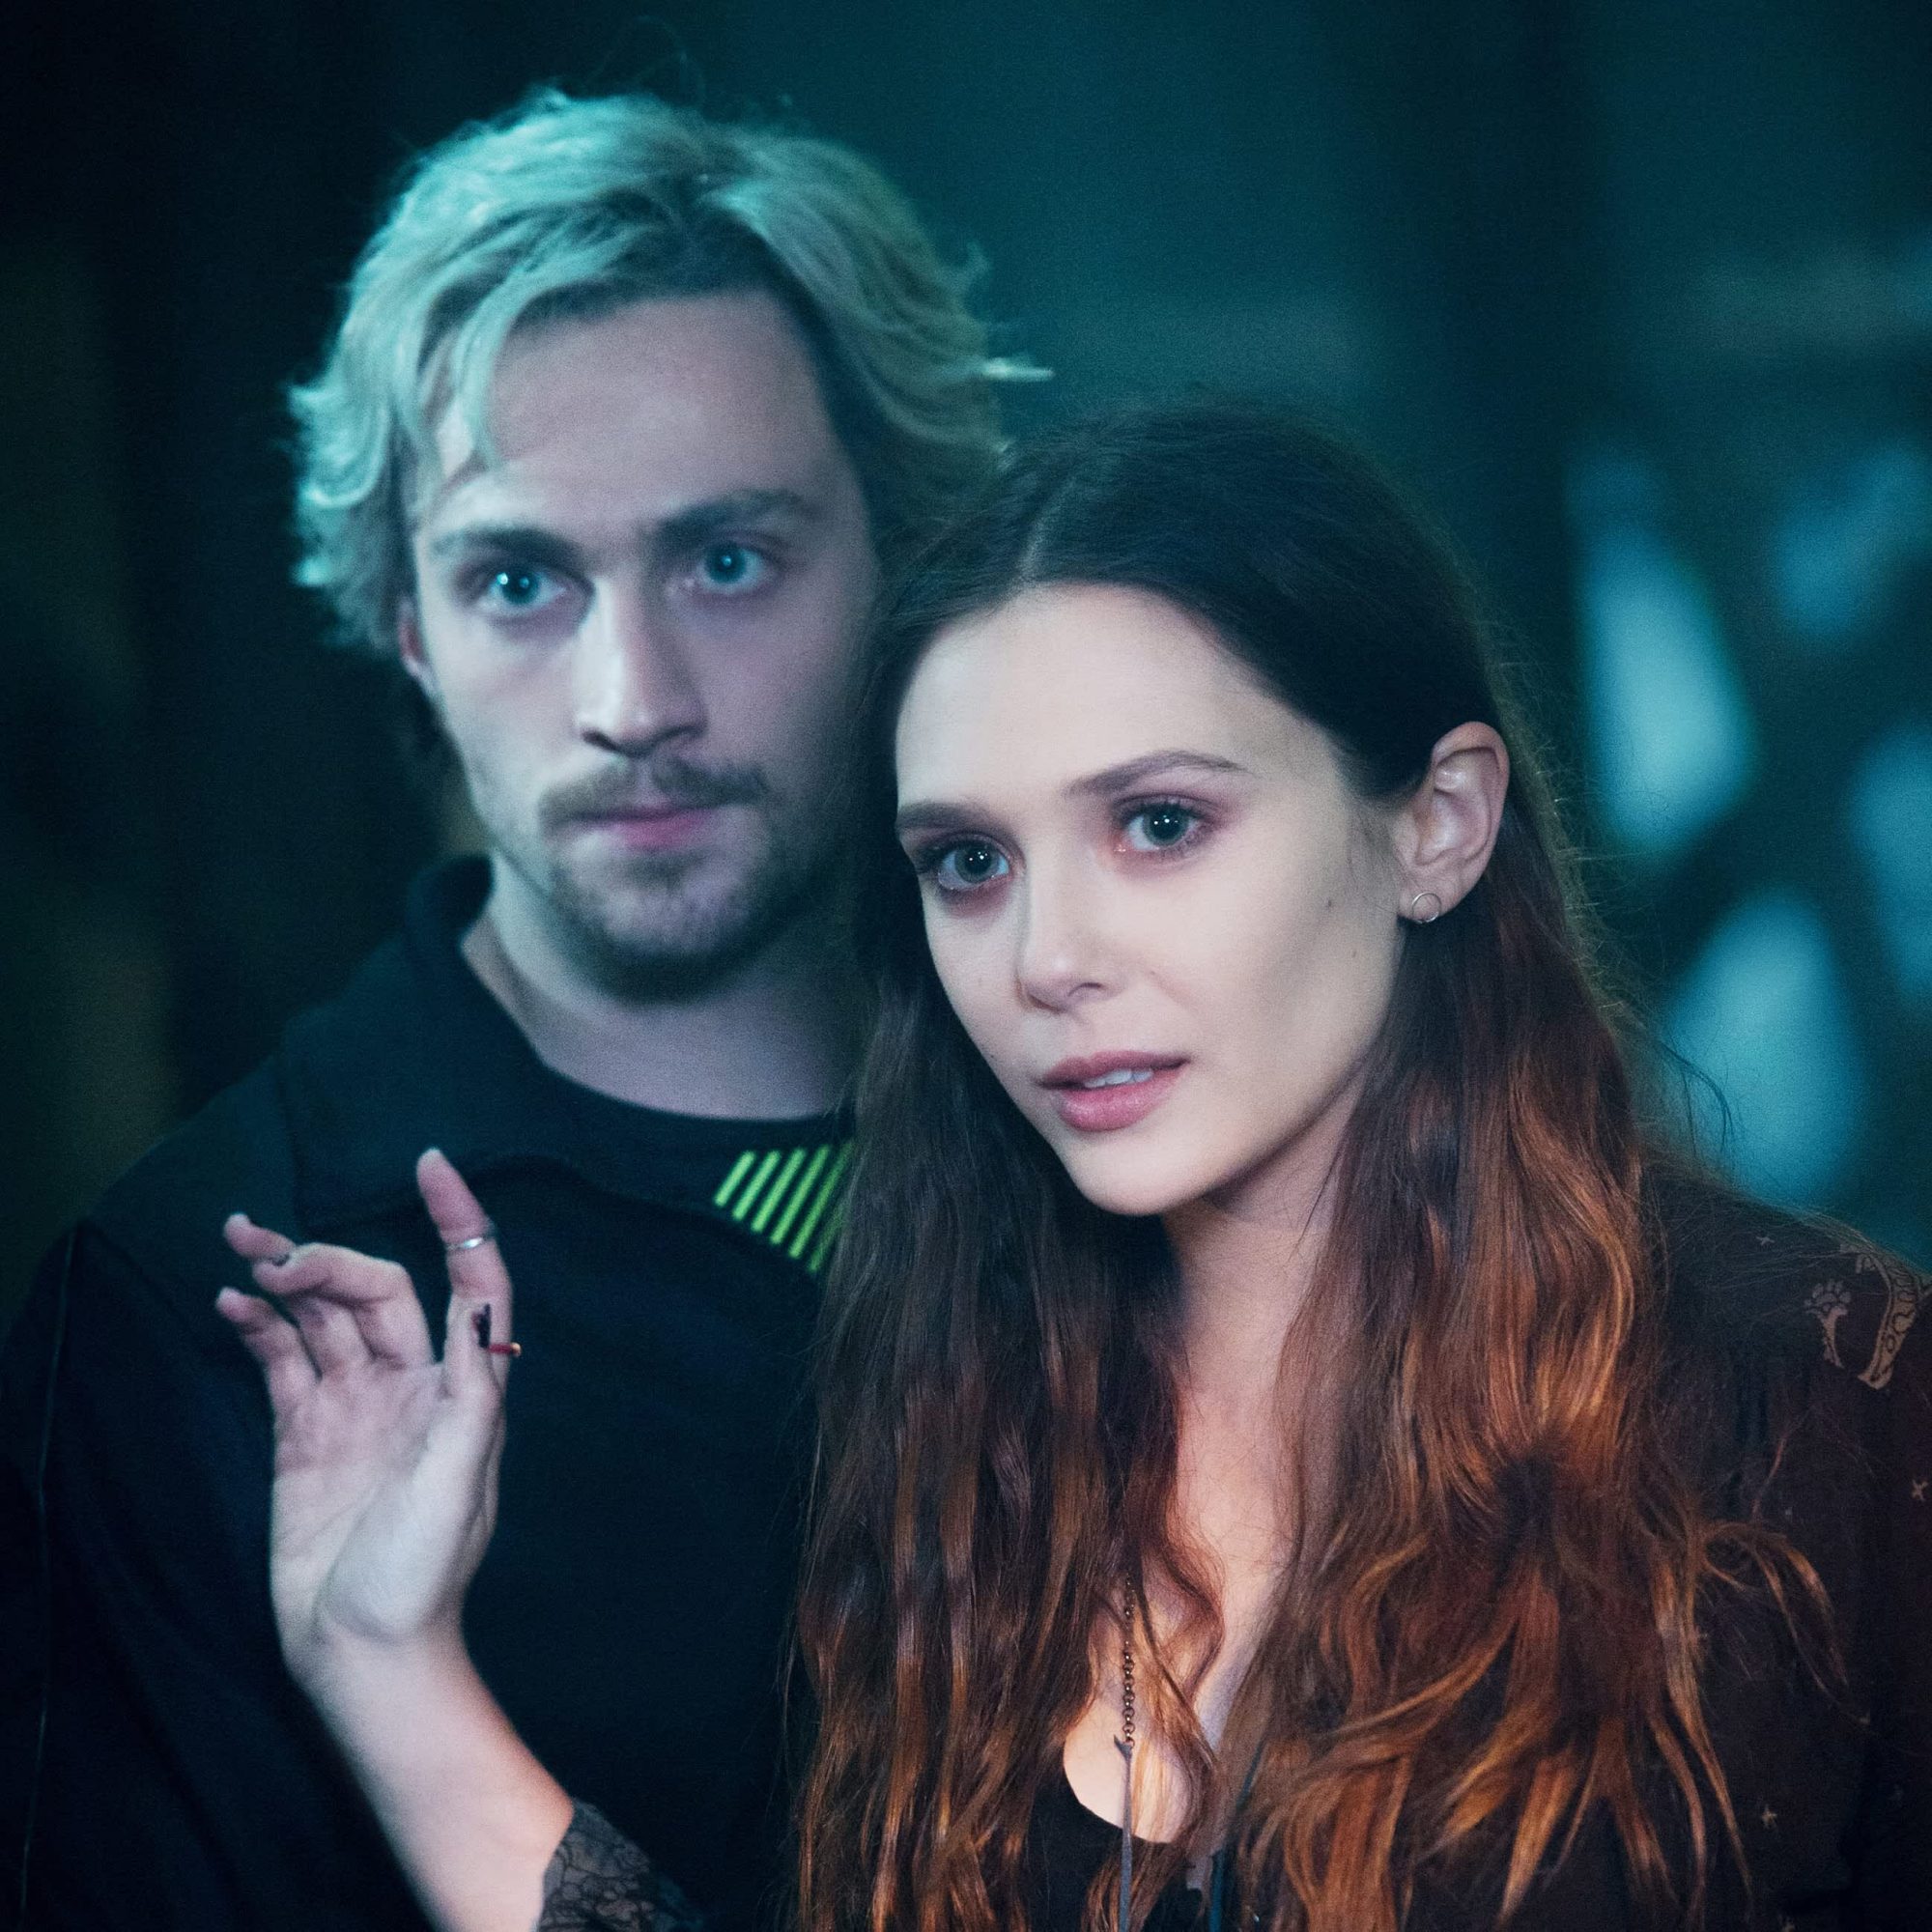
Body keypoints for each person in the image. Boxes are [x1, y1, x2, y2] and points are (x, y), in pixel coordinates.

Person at [218, 402, 1928, 1932]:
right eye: (969, 864)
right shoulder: (952, 1428)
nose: (1046, 959)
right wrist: (382, 1660)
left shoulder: (1818, 1398)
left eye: (1160, 824)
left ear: (1438, 824)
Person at [0, 87, 1030, 1932]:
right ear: (410, 626)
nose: (634, 698)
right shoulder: (202, 1309)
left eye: (728, 559)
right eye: (520, 581)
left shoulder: (1121, 1121)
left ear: (905, 561)